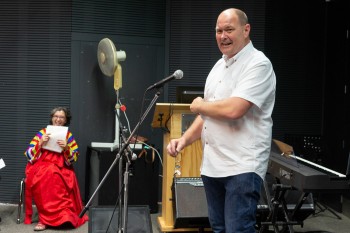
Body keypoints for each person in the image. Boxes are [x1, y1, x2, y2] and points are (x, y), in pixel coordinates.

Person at [167, 8, 276, 233]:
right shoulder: (219, 65)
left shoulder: (259, 64)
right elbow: (207, 115)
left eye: (229, 29)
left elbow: (235, 109)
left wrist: (199, 105)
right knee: (219, 229)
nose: (223, 36)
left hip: (242, 166)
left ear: (246, 30)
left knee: (238, 230)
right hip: (213, 166)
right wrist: (184, 139)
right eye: (218, 31)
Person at [23, 107, 88, 231]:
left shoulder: (68, 136)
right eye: (56, 116)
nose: (58, 119)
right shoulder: (42, 133)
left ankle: (62, 217)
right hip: (41, 167)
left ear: (65, 120)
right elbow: (28, 154)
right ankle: (44, 219)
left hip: (62, 168)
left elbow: (74, 158)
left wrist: (66, 148)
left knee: (56, 176)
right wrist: (40, 143)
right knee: (48, 174)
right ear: (52, 118)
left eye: (61, 117)